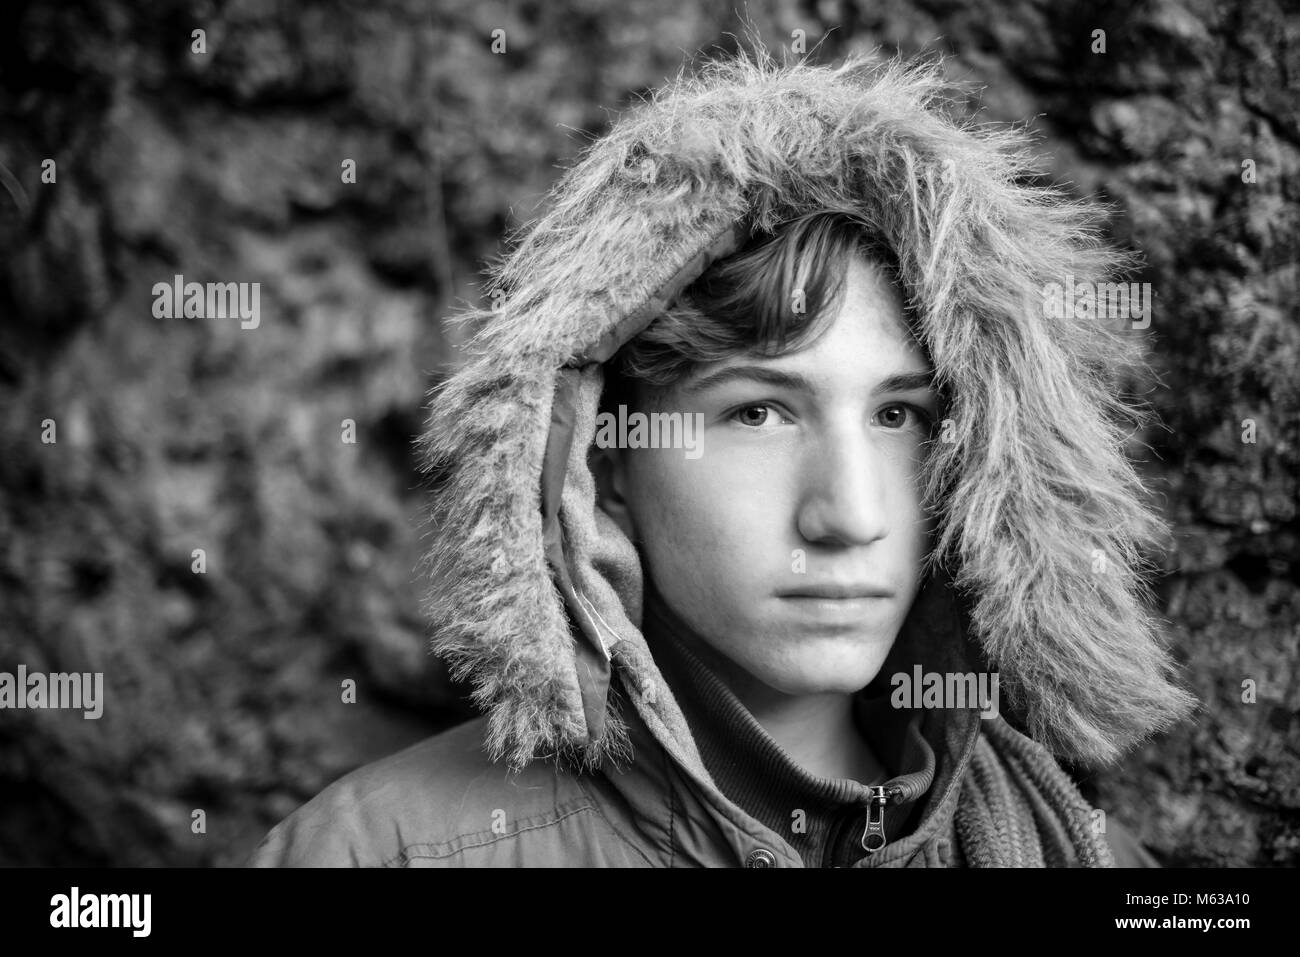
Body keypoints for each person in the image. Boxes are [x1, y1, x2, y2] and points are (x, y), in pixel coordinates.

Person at [247, 48, 1195, 868]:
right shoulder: (381, 853)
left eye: (901, 417)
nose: (850, 515)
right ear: (600, 460)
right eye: (758, 414)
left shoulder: (1077, 846)